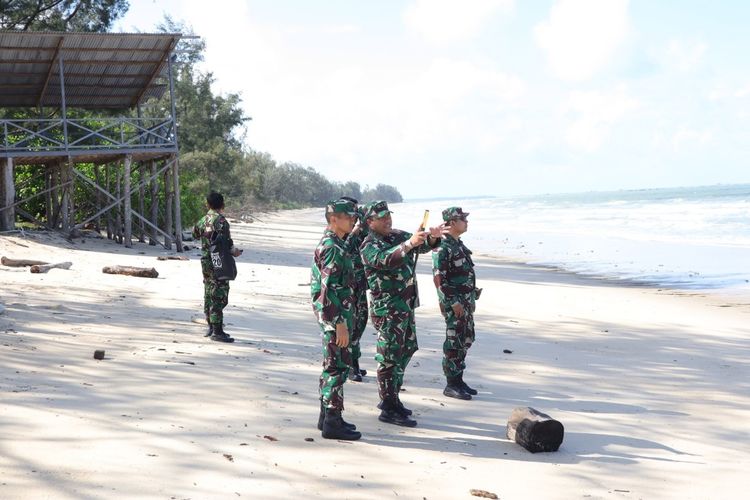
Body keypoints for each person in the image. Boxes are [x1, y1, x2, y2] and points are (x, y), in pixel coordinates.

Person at [360, 200, 443, 427]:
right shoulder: (369, 244)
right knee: (389, 357)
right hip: (387, 308)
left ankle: (392, 397)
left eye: (389, 216)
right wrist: (409, 244)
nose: (388, 220)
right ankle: (387, 406)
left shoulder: (395, 235)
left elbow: (423, 245)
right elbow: (386, 260)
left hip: (405, 305)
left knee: (406, 349)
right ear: (370, 222)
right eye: (382, 218)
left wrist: (432, 237)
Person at [311, 198, 362, 440]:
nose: (353, 220)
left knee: (331, 365)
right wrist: (339, 323)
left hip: (334, 315)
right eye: (349, 216)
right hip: (335, 316)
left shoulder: (335, 243)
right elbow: (328, 289)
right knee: (337, 367)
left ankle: (327, 417)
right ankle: (333, 420)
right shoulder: (332, 247)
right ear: (334, 219)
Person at [432, 207, 481, 400]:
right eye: (463, 219)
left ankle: (458, 379)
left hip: (466, 302)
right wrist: (451, 302)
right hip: (456, 304)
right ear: (452, 223)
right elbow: (439, 280)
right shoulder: (443, 247)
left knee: (466, 339)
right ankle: (451, 383)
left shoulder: (457, 244)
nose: (466, 222)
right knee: (454, 341)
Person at [192, 192, 242, 343]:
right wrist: (235, 252)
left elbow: (195, 234)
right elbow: (226, 243)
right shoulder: (221, 221)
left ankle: (211, 327)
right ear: (222, 205)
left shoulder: (203, 220)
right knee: (219, 294)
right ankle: (217, 331)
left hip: (206, 261)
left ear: (208, 204)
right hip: (218, 261)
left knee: (208, 291)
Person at [340, 196, 369, 382]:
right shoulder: (340, 233)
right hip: (347, 287)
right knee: (350, 325)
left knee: (361, 323)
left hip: (360, 284)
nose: (354, 216)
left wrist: (363, 226)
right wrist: (355, 231)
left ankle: (354, 361)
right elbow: (344, 249)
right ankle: (350, 366)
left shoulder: (358, 229)